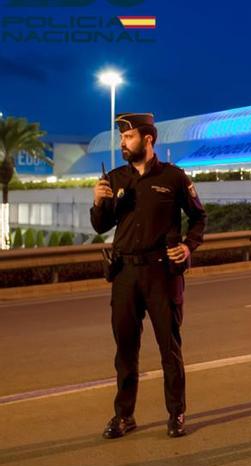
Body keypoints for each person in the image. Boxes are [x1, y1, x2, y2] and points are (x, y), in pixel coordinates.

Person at [91, 113, 206, 439]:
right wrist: (99, 203)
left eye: (128, 138)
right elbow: (101, 226)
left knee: (169, 348)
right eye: (121, 138)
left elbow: (199, 217)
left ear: (148, 139)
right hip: (125, 273)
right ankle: (124, 416)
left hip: (162, 273)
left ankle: (176, 413)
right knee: (125, 349)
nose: (123, 144)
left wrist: (188, 247)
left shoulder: (173, 177)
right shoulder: (115, 179)